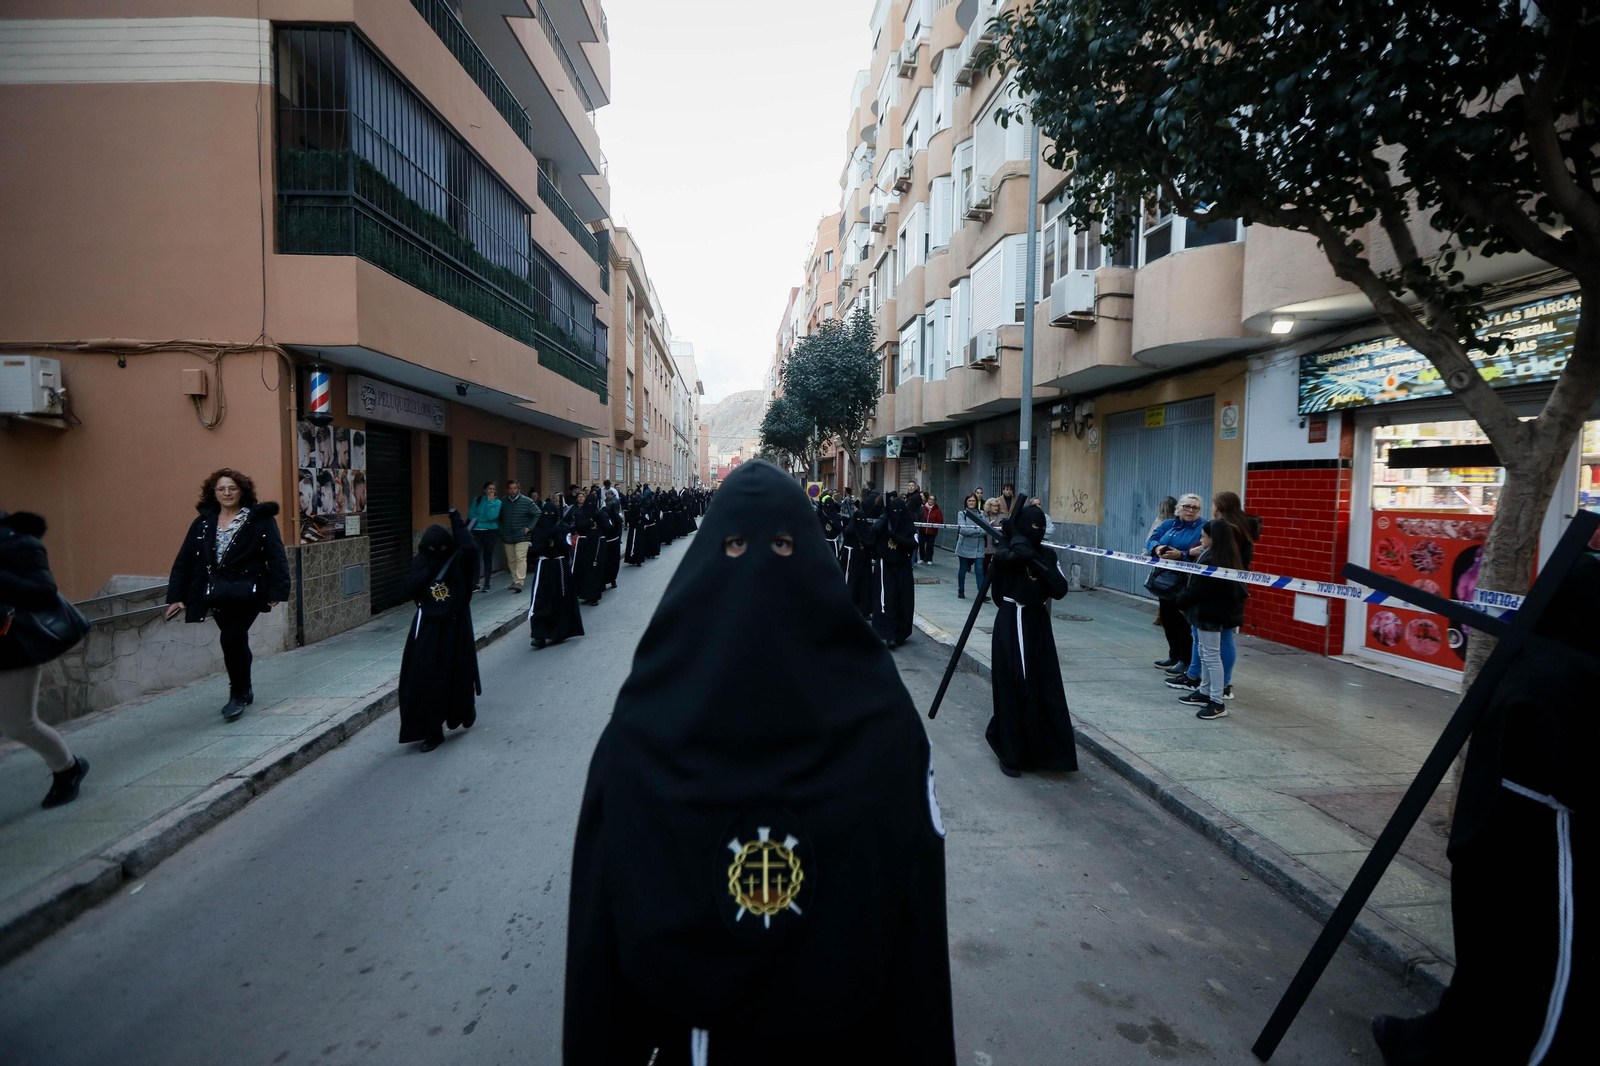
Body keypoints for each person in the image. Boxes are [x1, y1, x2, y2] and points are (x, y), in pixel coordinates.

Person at [562, 460, 956, 1063]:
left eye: (781, 545)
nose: (758, 568)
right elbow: (599, 944)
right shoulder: (645, 730)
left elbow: (918, 931)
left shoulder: (881, 726)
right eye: (737, 545)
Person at [1371, 555, 1596, 1066]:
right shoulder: (1562, 681)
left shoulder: (1528, 665)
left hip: (1491, 841)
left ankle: (1444, 1042)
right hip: (1535, 848)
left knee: (1491, 962)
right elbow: (1572, 777)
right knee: (1539, 967)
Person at [164, 469, 291, 721]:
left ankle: (238, 694)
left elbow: (276, 555)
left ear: (242, 490)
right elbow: (185, 559)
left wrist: (278, 590)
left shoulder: (260, 520)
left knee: (231, 638)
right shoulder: (203, 522)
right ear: (214, 493)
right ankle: (246, 686)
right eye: (221, 489)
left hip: (248, 590)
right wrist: (177, 596)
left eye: (232, 488)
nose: (227, 493)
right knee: (236, 639)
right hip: (216, 592)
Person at [0, 511, 90, 808]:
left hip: (13, 647)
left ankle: (68, 768)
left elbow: (43, 592)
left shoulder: (19, 543)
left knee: (18, 725)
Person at [985, 504, 1077, 777]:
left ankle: (1042, 751)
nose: (1037, 531)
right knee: (1011, 683)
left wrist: (1040, 568)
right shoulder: (1006, 552)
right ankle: (1011, 752)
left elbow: (1059, 589)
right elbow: (998, 593)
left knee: (1041, 684)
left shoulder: (1047, 554)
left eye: (1041, 527)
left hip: (1037, 624)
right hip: (1011, 621)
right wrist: (1017, 541)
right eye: (1031, 526)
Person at [397, 510, 479, 752]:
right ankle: (431, 730)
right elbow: (411, 588)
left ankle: (463, 711)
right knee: (424, 679)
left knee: (459, 674)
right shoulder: (421, 561)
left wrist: (457, 523)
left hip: (456, 626)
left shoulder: (459, 558)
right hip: (428, 629)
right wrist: (429, 573)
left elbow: (471, 549)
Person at [1170, 491, 1261, 700]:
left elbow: (1212, 574)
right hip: (1224, 594)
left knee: (1213, 646)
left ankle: (1215, 689)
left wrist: (1184, 598)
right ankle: (1206, 683)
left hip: (1217, 599)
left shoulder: (1227, 533)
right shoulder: (1236, 530)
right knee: (1210, 643)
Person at [1170, 520, 1248, 721]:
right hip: (1207, 613)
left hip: (1210, 614)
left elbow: (1200, 588)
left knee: (1212, 656)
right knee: (1205, 654)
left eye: (1203, 536)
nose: (1200, 539)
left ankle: (1217, 701)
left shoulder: (1213, 559)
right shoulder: (1219, 555)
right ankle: (1204, 691)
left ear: (1213, 538)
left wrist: (1181, 600)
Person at [1146, 493, 1205, 676]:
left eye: (1194, 508)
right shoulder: (1167, 524)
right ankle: (1173, 654)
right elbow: (1151, 540)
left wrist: (1183, 555)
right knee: (1168, 618)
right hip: (1165, 580)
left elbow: (1202, 550)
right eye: (1186, 506)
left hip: (1186, 582)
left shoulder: (1203, 527)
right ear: (1178, 508)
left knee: (1183, 622)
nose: (1190, 511)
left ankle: (1185, 660)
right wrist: (1156, 548)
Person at [529, 502, 584, 649]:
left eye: (551, 514)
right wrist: (545, 537)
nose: (548, 517)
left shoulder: (563, 528)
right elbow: (534, 551)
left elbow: (566, 547)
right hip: (544, 567)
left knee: (561, 599)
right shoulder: (538, 530)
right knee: (541, 600)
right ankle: (539, 635)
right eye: (545, 514)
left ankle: (560, 631)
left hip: (560, 568)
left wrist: (557, 533)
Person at [872, 494, 918, 648]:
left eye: (899, 510)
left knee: (903, 599)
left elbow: (913, 543)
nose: (896, 513)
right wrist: (886, 516)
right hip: (886, 565)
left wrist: (896, 537)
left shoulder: (909, 525)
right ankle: (888, 634)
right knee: (888, 600)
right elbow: (875, 529)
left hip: (903, 566)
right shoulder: (886, 521)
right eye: (893, 510)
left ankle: (901, 633)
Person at [498, 480, 538, 593]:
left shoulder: (527, 501)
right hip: (507, 535)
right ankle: (515, 579)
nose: (512, 490)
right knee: (511, 559)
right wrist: (501, 530)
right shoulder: (503, 502)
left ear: (519, 489)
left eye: (515, 488)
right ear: (508, 489)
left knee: (520, 557)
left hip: (522, 535)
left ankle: (519, 581)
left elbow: (537, 513)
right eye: (510, 488)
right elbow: (498, 517)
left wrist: (529, 527)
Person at [571, 494, 606, 607]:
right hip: (584, 544)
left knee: (594, 569)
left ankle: (594, 596)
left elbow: (606, 527)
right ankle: (584, 593)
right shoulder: (580, 513)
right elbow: (579, 527)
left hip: (596, 544)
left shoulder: (600, 513)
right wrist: (591, 520)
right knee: (583, 569)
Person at [1149, 497, 1179, 628]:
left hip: (1161, 559)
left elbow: (1150, 538)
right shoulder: (1177, 524)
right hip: (1173, 562)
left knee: (1161, 587)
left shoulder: (1161, 522)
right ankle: (1164, 615)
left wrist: (1148, 551)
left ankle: (1161, 616)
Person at [467, 481, 502, 593]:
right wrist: (483, 519)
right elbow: (471, 515)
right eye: (489, 489)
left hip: (490, 532)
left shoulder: (497, 502)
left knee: (487, 557)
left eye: (493, 489)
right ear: (484, 490)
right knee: (475, 557)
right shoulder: (477, 500)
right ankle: (475, 583)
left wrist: (490, 503)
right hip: (476, 532)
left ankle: (487, 583)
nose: (491, 491)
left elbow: (492, 516)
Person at [954, 494, 986, 599]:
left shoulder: (981, 514)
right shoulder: (962, 514)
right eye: (969, 501)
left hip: (978, 546)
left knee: (979, 569)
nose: (971, 502)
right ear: (966, 502)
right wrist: (977, 531)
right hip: (964, 546)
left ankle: (981, 593)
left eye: (973, 501)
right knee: (963, 569)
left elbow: (985, 529)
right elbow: (963, 530)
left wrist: (972, 532)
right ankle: (961, 590)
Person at [919, 494, 943, 564]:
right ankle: (922, 557)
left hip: (932, 532)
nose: (931, 501)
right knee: (921, 545)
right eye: (930, 499)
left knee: (930, 546)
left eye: (932, 499)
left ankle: (929, 559)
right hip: (922, 530)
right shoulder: (923, 508)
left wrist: (935, 526)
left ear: (935, 501)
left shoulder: (937, 510)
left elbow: (940, 520)